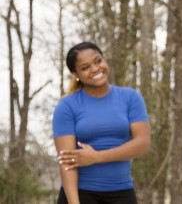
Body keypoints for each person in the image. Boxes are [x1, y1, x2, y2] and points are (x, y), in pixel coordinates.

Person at [52, 42, 151, 204]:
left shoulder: (130, 98)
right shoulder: (67, 106)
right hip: (81, 194)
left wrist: (97, 157)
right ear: (76, 73)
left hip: (122, 193)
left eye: (98, 61)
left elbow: (142, 143)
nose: (95, 69)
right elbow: (67, 163)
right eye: (85, 67)